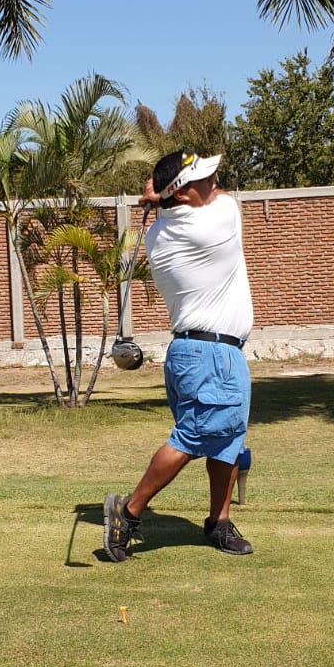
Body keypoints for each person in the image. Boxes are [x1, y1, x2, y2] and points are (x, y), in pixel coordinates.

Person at [104, 150, 254, 561]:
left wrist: (161, 200)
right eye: (203, 178)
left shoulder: (156, 235)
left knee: (225, 440)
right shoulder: (216, 220)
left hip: (191, 352)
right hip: (213, 354)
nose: (213, 182)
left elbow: (194, 197)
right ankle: (129, 512)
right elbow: (222, 196)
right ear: (185, 193)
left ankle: (219, 524)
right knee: (195, 436)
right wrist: (161, 198)